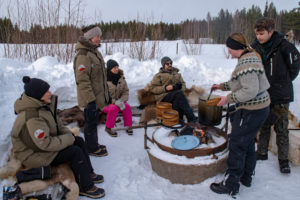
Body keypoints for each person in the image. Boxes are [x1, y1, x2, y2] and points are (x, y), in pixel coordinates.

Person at [11, 76, 105, 199]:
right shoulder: (32, 116)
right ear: (37, 96)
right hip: (33, 154)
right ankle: (85, 187)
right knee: (74, 152)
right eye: (46, 92)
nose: (50, 93)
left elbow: (58, 125)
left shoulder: (43, 106)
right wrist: (67, 140)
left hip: (40, 146)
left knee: (78, 141)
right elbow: (45, 144)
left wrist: (69, 135)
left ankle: (88, 173)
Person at [209, 33, 270, 196]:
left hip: (253, 110)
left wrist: (227, 98)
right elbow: (240, 82)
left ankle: (230, 184)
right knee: (247, 142)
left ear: (236, 48)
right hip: (260, 107)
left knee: (236, 144)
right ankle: (246, 177)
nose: (228, 51)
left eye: (229, 48)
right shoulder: (250, 56)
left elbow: (250, 91)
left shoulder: (246, 63)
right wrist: (221, 86)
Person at [252, 17, 300, 174]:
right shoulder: (255, 47)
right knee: (264, 122)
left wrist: (282, 82)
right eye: (257, 33)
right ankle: (262, 152)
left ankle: (283, 160)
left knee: (281, 127)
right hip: (263, 92)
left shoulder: (284, 46)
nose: (259, 37)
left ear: (271, 31)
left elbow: (294, 67)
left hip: (281, 95)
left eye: (262, 33)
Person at [73, 24, 109, 157]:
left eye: (100, 36)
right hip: (89, 99)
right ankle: (91, 148)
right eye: (97, 36)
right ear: (89, 37)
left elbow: (100, 77)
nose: (99, 39)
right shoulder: (83, 55)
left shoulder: (94, 52)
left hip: (96, 97)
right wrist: (91, 101)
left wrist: (107, 94)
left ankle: (93, 143)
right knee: (90, 124)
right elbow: (83, 81)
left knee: (94, 123)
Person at [150, 56, 197, 123]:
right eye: (167, 64)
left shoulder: (177, 74)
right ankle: (191, 118)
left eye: (171, 63)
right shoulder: (158, 76)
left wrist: (180, 88)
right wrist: (165, 88)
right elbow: (153, 89)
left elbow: (183, 84)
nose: (170, 65)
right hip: (164, 96)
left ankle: (179, 119)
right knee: (179, 94)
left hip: (176, 94)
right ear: (163, 65)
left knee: (177, 98)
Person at [103, 59, 133, 137]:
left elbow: (125, 91)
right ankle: (108, 127)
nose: (116, 69)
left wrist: (121, 100)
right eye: (114, 68)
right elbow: (103, 96)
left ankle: (128, 126)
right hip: (106, 103)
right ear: (110, 69)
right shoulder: (104, 80)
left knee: (126, 106)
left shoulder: (121, 78)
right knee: (114, 108)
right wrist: (114, 102)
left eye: (117, 67)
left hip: (119, 102)